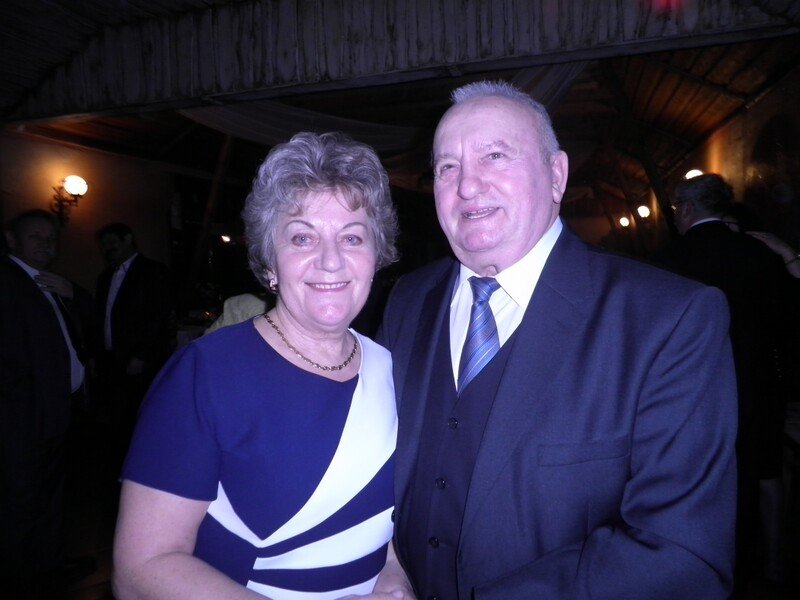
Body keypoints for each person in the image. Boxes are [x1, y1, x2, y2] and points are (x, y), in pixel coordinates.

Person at [378, 81, 738, 598]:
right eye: (447, 167)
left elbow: (681, 554)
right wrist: (387, 560)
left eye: (495, 155)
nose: (467, 186)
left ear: (556, 175)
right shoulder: (407, 301)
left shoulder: (667, 320)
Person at [113, 132, 415, 599]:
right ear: (270, 262)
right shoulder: (204, 374)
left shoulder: (392, 368)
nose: (330, 261)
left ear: (376, 257)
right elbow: (142, 569)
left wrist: (395, 575)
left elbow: (381, 518)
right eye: (302, 237)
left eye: (352, 237)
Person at [655, 173, 795, 591]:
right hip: (758, 386)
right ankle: (769, 567)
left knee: (703, 483)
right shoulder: (760, 254)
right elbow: (784, 322)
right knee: (762, 476)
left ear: (687, 209)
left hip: (693, 394)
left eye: (677, 209)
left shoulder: (666, 261)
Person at [1, 209, 95, 595]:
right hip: (23, 418)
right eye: (35, 236)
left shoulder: (48, 282)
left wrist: (73, 293)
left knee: (50, 495)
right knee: (22, 500)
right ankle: (25, 577)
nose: (45, 244)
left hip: (56, 411)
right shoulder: (8, 281)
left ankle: (50, 565)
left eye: (51, 238)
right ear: (12, 239)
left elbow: (88, 327)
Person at [94, 222, 175, 463]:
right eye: (104, 244)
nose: (107, 248)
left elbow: (158, 316)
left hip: (140, 361)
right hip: (112, 359)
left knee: (143, 413)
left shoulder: (152, 271)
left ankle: (148, 461)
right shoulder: (105, 277)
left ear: (128, 239)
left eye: (112, 242)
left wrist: (141, 355)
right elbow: (101, 317)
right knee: (118, 418)